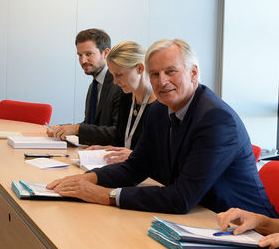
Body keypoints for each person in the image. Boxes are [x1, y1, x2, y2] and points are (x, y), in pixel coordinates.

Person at [47, 39, 276, 216]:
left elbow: (181, 198)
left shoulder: (216, 120)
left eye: (171, 71)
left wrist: (106, 195)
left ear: (193, 72)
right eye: (154, 74)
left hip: (244, 233)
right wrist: (89, 180)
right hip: (195, 222)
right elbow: (136, 167)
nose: (161, 81)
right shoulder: (159, 110)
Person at [86, 41, 157, 164]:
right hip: (126, 169)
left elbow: (160, 156)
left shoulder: (160, 105)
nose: (115, 82)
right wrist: (107, 149)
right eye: (113, 75)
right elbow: (121, 141)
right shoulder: (126, 97)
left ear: (139, 68)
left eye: (119, 75)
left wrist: (135, 155)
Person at [48, 28, 123, 145]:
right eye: (80, 55)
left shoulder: (119, 85)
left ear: (106, 53)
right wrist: (62, 129)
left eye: (89, 54)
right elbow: (91, 125)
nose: (83, 61)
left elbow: (118, 133)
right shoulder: (93, 87)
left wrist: (77, 128)